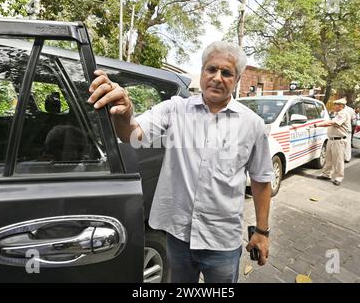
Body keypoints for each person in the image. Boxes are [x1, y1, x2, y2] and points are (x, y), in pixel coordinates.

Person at [87, 41, 274, 283]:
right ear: (202, 72)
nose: (217, 78)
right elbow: (132, 135)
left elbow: (261, 179)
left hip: (222, 241)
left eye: (226, 73)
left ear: (237, 79)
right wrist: (125, 112)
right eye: (211, 69)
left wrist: (262, 231)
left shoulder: (252, 124)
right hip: (178, 238)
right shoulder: (175, 109)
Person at [313, 98, 349, 186]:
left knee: (338, 160)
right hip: (332, 139)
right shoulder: (337, 114)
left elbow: (331, 123)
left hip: (338, 140)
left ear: (341, 106)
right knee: (328, 158)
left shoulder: (343, 114)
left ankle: (338, 178)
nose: (334, 106)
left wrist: (317, 125)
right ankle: (326, 174)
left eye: (335, 105)